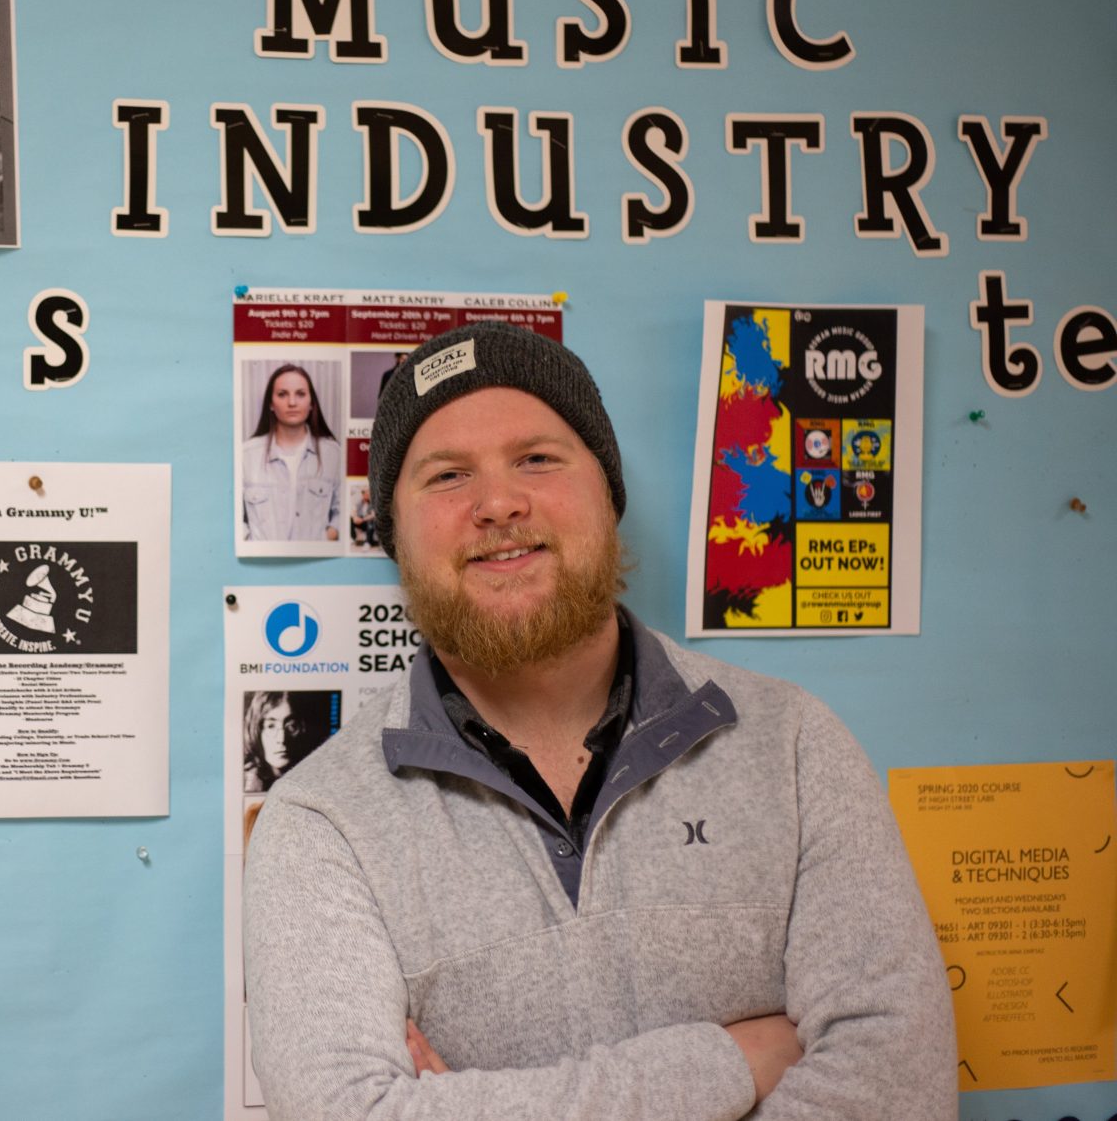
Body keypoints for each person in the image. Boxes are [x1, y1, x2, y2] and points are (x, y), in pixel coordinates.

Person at [243, 321, 954, 1119]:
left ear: (608, 492)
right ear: (394, 533)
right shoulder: (321, 822)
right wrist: (728, 1060)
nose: (499, 502)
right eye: (446, 476)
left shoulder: (791, 746)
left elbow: (901, 1087)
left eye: (538, 459)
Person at [242, 363, 343, 542]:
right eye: (282, 394)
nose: (292, 402)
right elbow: (234, 518)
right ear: (271, 404)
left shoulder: (333, 454)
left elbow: (342, 513)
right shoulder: (246, 454)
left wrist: (326, 538)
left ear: (311, 403)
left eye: (300, 394)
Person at [241, 691, 305, 793]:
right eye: (271, 726)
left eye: (291, 726)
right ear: (256, 731)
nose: (282, 739)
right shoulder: (244, 783)